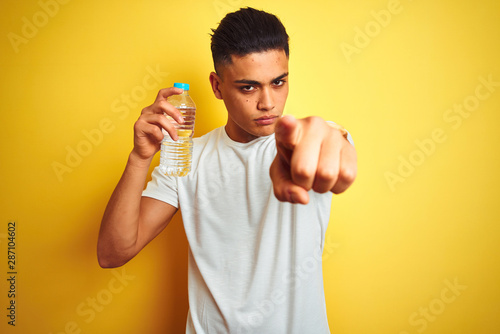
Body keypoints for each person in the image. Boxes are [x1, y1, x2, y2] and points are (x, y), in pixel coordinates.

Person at [97, 7, 357, 334]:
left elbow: (331, 143)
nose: (268, 103)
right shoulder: (188, 157)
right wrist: (139, 156)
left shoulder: (305, 140)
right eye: (248, 87)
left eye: (278, 82)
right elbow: (112, 253)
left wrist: (325, 142)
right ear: (217, 87)